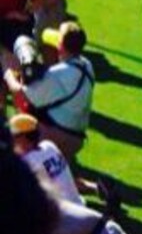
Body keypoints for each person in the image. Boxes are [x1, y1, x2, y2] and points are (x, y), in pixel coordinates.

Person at [3, 22, 94, 161]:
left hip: (56, 138)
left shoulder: (58, 74)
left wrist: (8, 72)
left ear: (60, 45)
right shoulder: (87, 64)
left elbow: (22, 95)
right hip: (76, 138)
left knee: (23, 113)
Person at [9, 113, 84, 204]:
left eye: (13, 137)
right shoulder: (49, 146)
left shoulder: (27, 162)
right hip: (78, 205)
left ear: (24, 138)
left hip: (61, 215)